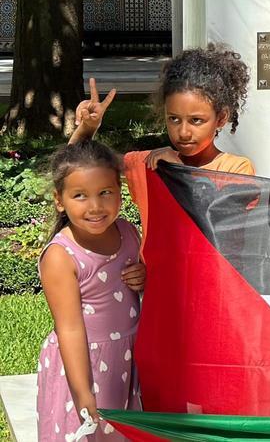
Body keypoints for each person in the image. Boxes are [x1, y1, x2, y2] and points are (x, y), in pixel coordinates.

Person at [70, 45, 256, 240]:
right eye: (174, 119)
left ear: (221, 118)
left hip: (212, 271)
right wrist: (88, 128)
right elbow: (78, 163)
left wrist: (178, 170)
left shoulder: (236, 169)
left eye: (196, 120)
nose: (183, 132)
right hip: (156, 272)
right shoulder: (150, 163)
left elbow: (223, 227)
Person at [36, 141, 146, 441]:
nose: (95, 206)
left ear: (119, 192)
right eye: (80, 196)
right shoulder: (61, 256)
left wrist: (144, 276)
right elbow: (69, 328)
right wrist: (82, 392)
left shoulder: (128, 232)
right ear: (60, 200)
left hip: (127, 359)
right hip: (84, 367)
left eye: (105, 193)